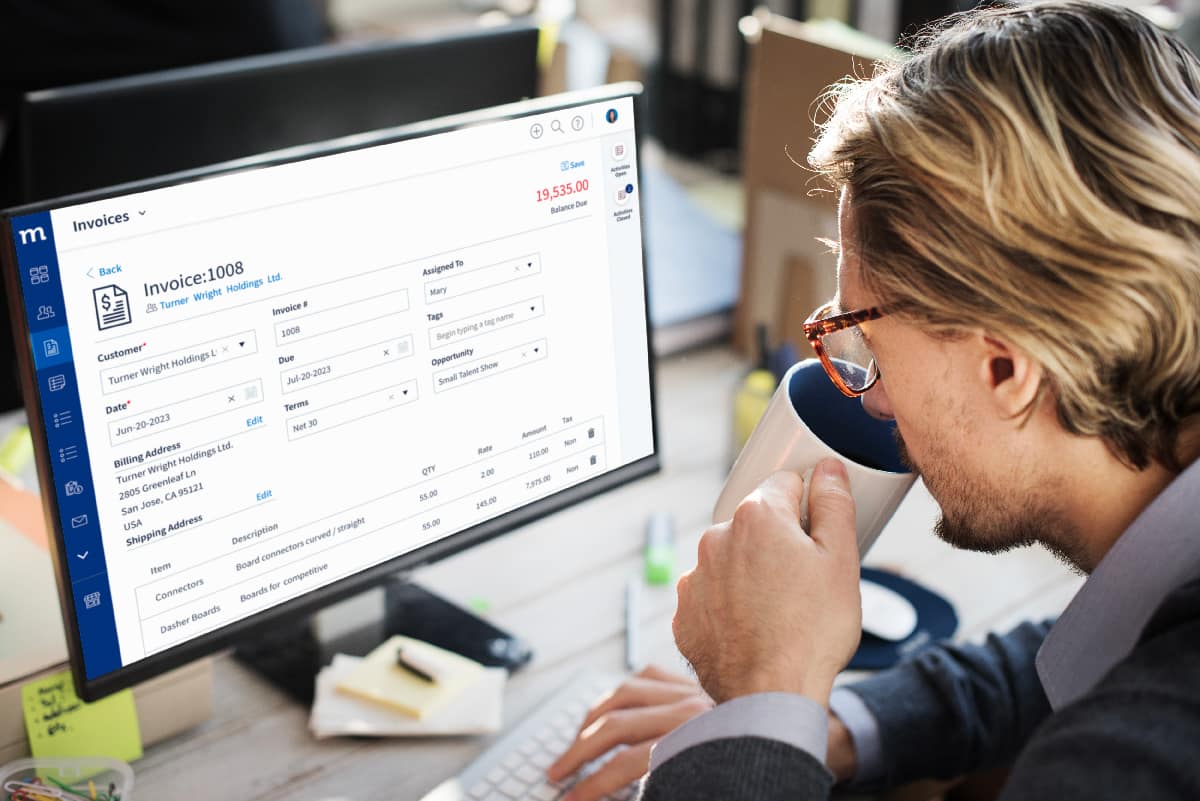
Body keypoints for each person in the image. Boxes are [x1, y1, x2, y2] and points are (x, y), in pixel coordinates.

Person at [546, 1, 1200, 799]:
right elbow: (1085, 655)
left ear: (1007, 370)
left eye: (867, 343)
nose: (875, 400)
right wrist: (819, 723)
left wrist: (763, 693)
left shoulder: (1140, 765)